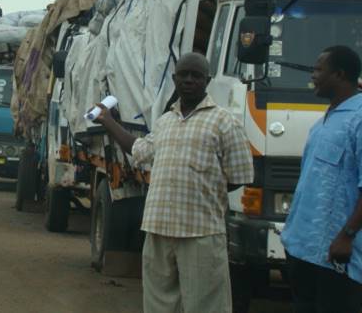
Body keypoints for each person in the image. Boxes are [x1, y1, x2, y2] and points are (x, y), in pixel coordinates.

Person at [94, 52, 253, 313]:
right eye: (183, 75)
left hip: (200, 232)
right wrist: (108, 121)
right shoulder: (165, 122)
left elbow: (238, 178)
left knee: (205, 306)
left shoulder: (225, 123)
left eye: (196, 75)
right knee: (159, 304)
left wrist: (200, 192)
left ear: (208, 80)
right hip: (158, 228)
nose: (189, 80)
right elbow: (140, 151)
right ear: (174, 78)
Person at [281, 46, 362, 313]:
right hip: (303, 250)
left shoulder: (358, 120)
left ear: (339, 74)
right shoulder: (324, 121)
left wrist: (347, 236)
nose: (312, 75)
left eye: (318, 70)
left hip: (337, 256)